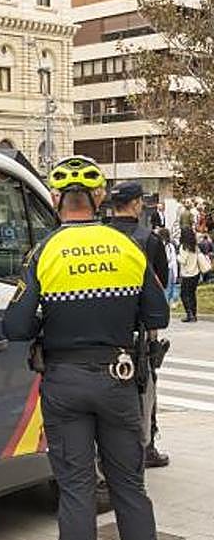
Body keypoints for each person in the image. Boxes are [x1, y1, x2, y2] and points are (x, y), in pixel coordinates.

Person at [3, 156, 169, 540]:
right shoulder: (127, 248)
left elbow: (13, 325)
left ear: (57, 200)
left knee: (76, 490)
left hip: (65, 383)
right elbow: (157, 316)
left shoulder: (45, 253)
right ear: (98, 200)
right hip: (118, 380)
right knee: (130, 487)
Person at [107, 182, 170, 468]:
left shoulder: (100, 236)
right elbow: (159, 289)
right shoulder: (149, 240)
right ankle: (146, 447)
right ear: (135, 204)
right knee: (145, 388)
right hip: (139, 329)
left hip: (105, 327)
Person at [178, 227, 203, 322]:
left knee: (183, 294)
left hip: (187, 274)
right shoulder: (195, 246)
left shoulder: (183, 247)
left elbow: (182, 260)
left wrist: (177, 256)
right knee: (192, 294)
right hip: (195, 273)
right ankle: (194, 314)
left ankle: (189, 314)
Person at [163, 230, 181, 305]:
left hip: (164, 268)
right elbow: (173, 261)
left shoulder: (167, 246)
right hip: (169, 268)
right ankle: (167, 303)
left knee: (165, 288)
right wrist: (175, 274)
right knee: (168, 288)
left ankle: (165, 303)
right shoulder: (170, 246)